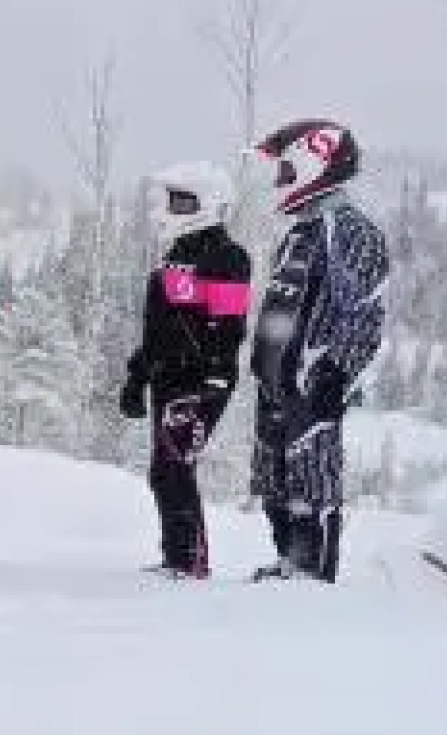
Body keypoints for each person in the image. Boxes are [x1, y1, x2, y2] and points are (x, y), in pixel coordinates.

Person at [246, 118, 389, 583]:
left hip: (313, 380)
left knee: (312, 479)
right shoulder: (300, 232)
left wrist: (336, 371)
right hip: (276, 379)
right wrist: (261, 361)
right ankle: (290, 560)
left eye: (288, 171)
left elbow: (365, 311)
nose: (281, 181)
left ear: (316, 164)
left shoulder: (349, 230)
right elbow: (279, 302)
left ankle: (311, 573)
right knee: (275, 480)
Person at [119, 160, 253, 580]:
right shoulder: (175, 255)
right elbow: (158, 328)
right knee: (164, 470)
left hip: (200, 380)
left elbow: (229, 325)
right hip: (167, 376)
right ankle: (177, 558)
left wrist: (213, 375)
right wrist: (136, 377)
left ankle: (190, 562)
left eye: (182, 200)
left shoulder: (228, 256)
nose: (171, 209)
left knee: (175, 465)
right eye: (171, 199)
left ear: (208, 202)